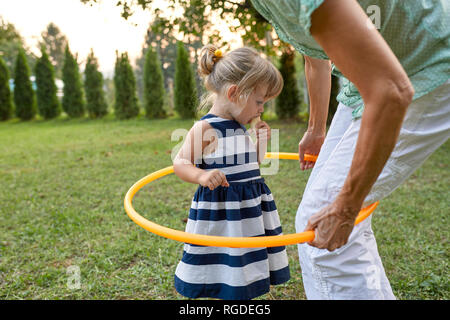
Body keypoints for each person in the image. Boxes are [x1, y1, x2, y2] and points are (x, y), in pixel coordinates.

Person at [250, 0, 449, 299]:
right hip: (371, 78)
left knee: (323, 230)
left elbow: (390, 92)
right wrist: (317, 128)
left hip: (427, 66)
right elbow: (316, 52)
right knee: (326, 222)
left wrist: (345, 208)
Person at [172, 45, 290, 300]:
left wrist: (260, 142)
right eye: (259, 102)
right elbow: (181, 163)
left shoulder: (240, 126)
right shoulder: (206, 128)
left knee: (243, 263)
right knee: (224, 262)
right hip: (223, 212)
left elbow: (252, 165)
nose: (261, 110)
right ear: (235, 92)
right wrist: (202, 176)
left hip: (249, 207)